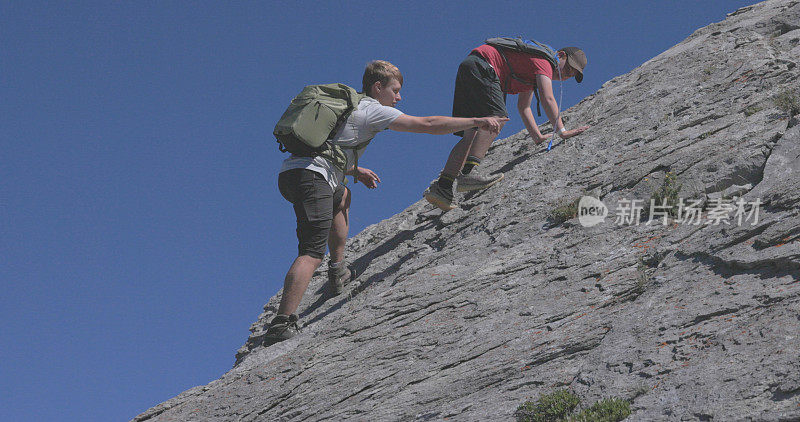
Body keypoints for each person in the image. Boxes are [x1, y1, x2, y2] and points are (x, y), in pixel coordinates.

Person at [265, 60, 508, 344]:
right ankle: (282, 323)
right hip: (313, 178)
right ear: (377, 87)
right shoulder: (371, 109)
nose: (399, 97)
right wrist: (476, 121)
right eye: (395, 90)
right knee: (311, 252)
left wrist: (356, 170)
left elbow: (330, 148)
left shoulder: (350, 107)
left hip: (297, 173)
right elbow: (427, 125)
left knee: (342, 196)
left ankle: (338, 270)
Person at [423, 41, 591, 211]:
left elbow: (524, 107)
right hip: (484, 66)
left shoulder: (531, 70)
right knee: (498, 118)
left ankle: (443, 187)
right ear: (560, 55)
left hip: (471, 67)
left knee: (472, 132)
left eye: (571, 75)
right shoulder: (544, 62)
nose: (566, 75)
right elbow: (548, 99)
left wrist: (537, 137)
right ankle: (468, 173)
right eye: (568, 69)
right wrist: (562, 131)